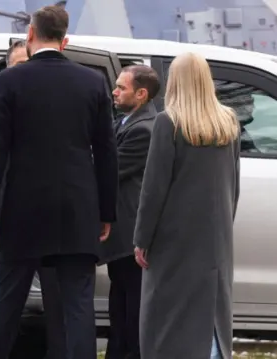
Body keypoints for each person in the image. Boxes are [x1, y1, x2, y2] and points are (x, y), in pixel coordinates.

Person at [0, 5, 118, 359]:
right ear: (65, 40)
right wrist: (106, 212)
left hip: (21, 210)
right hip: (77, 209)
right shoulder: (94, 81)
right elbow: (106, 152)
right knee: (78, 307)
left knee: (5, 305)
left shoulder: (9, 80)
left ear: (30, 35)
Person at [133, 52, 240, 359]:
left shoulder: (169, 123)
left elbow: (154, 190)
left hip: (174, 240)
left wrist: (142, 239)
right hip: (216, 239)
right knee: (213, 310)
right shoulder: (228, 121)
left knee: (168, 316)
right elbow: (234, 186)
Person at [0, 39, 67, 359]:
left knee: (60, 309)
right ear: (8, 70)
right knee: (1, 309)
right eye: (19, 65)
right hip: (4, 225)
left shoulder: (63, 109)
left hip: (54, 226)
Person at [100, 65, 160, 359]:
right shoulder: (126, 121)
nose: (114, 91)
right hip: (122, 238)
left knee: (131, 311)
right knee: (120, 306)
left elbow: (110, 171)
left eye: (121, 87)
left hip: (130, 237)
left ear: (141, 94)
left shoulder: (144, 129)